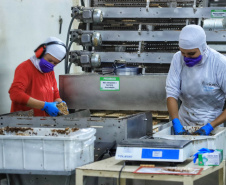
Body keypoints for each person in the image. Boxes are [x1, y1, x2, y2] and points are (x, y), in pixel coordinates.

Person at [166, 24, 226, 135]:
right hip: (184, 121)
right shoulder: (177, 58)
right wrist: (176, 122)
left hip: (213, 124)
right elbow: (171, 93)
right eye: (183, 53)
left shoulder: (220, 63)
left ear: (203, 48)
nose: (186, 57)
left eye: (191, 53)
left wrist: (210, 126)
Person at [9, 37, 67, 117]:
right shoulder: (25, 68)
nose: (51, 65)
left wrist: (60, 104)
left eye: (55, 63)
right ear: (40, 53)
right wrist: (45, 106)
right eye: (49, 60)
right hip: (24, 123)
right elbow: (15, 94)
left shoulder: (49, 71)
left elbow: (55, 93)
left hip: (43, 123)